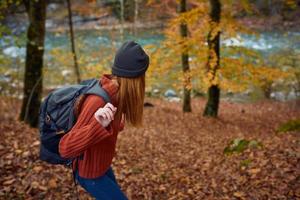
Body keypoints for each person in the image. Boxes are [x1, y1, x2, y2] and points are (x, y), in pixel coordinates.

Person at [58, 41, 149, 200]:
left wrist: (112, 124)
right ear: (135, 80)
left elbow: (112, 127)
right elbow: (65, 148)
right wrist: (97, 126)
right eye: (142, 76)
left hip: (102, 164)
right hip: (89, 173)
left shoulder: (118, 94)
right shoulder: (98, 101)